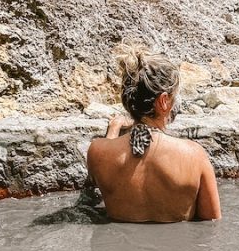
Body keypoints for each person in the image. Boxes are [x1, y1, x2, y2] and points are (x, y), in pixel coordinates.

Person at [86, 47, 222, 223]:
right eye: (174, 96)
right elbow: (211, 223)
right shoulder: (194, 155)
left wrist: (114, 128)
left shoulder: (97, 152)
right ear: (163, 101)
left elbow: (106, 155)